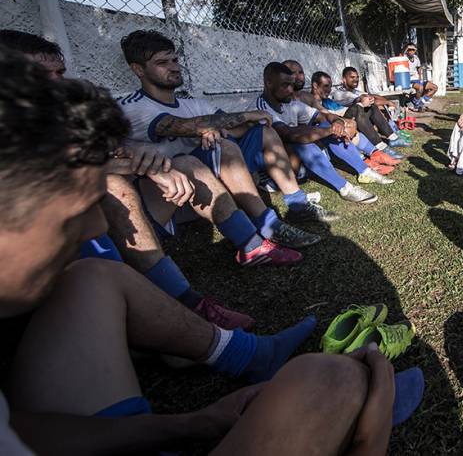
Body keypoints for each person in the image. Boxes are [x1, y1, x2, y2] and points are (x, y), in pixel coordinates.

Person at [0, 49, 423, 455]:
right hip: (180, 190)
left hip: (189, 177)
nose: (95, 226)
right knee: (327, 380)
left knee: (92, 276)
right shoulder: (140, 112)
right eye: (73, 213)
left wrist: (195, 423)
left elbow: (25, 433)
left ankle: (248, 348)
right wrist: (367, 442)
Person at [0, 29, 254, 328]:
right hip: (53, 261)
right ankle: (171, 307)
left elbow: (103, 155)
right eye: (43, 75)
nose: (58, 83)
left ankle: (253, 243)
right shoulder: (134, 107)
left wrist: (137, 160)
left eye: (61, 73)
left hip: (140, 218)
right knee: (115, 187)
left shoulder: (57, 119)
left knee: (185, 162)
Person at [117, 30, 322, 265]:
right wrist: (223, 123)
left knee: (263, 131)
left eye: (174, 60)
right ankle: (268, 226)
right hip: (170, 198)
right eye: (162, 63)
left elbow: (239, 126)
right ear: (138, 69)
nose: (174, 67)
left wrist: (218, 128)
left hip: (209, 190)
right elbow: (178, 126)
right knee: (221, 146)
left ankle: (296, 203)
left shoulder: (191, 103)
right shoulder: (133, 106)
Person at [252, 62, 388, 204]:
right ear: (268, 83)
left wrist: (337, 123)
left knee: (325, 126)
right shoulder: (261, 108)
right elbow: (289, 134)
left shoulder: (288, 103)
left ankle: (364, 170)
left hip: (298, 162)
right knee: (303, 140)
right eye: (285, 85)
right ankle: (345, 188)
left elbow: (323, 116)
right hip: (278, 171)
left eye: (291, 85)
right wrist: (329, 130)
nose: (290, 90)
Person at [298, 68, 402, 175]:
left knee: (367, 108)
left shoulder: (327, 101)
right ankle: (368, 160)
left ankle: (379, 151)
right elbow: (320, 119)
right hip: (323, 131)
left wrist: (346, 120)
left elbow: (341, 111)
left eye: (329, 86)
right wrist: (346, 119)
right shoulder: (307, 101)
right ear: (315, 85)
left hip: (339, 122)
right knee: (355, 111)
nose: (329, 90)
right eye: (325, 86)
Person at [331, 66, 410, 152]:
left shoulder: (355, 91)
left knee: (372, 105)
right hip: (344, 119)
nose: (356, 79)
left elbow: (371, 96)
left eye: (357, 77)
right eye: (352, 77)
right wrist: (368, 99)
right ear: (344, 79)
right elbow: (359, 99)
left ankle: (393, 137)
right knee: (360, 106)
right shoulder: (339, 93)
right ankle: (381, 146)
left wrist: (387, 102)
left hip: (358, 116)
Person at [404, 43, 438, 110]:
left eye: (413, 50)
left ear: (415, 50)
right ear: (407, 50)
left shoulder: (416, 58)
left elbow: (419, 68)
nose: (411, 51)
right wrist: (406, 49)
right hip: (409, 80)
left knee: (434, 87)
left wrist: (420, 78)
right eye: (409, 50)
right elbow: (400, 55)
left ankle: (421, 102)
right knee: (420, 88)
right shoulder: (404, 58)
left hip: (417, 79)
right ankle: (417, 103)